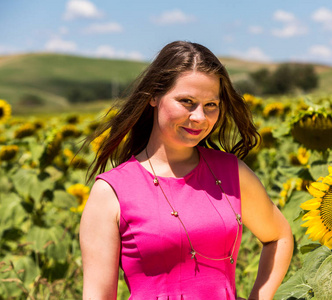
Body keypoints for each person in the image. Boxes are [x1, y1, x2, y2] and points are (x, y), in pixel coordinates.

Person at [80, 41, 293, 300]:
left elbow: (279, 236)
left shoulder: (230, 172)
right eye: (187, 102)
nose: (200, 117)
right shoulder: (111, 192)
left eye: (211, 105)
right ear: (154, 96)